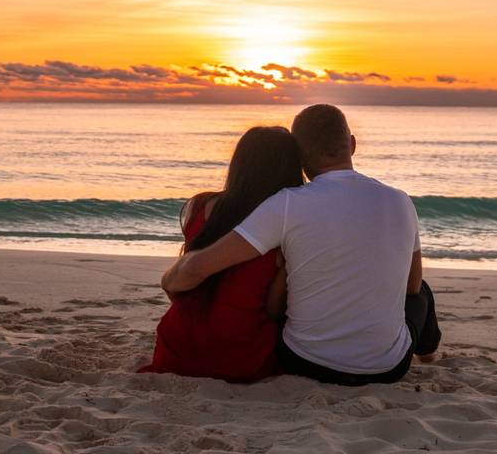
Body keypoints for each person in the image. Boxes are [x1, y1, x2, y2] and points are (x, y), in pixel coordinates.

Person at [162, 104, 441, 386]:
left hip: (305, 363)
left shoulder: (286, 204)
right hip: (386, 369)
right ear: (352, 145)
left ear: (301, 156)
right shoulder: (401, 201)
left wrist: (170, 281)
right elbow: (411, 287)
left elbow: (198, 266)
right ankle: (429, 357)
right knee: (423, 292)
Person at [140, 126, 303, 382]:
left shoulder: (200, 206)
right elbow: (273, 309)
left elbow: (183, 282)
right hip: (240, 359)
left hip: (177, 348)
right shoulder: (284, 225)